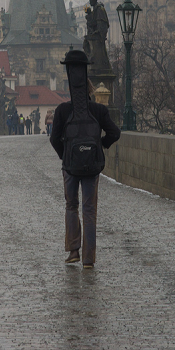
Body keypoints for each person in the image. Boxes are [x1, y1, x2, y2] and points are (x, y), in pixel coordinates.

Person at [50, 49, 120, 269]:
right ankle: (89, 259)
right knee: (89, 210)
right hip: (92, 166)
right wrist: (99, 147)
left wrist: (67, 157)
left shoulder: (62, 110)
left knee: (71, 205)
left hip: (70, 167)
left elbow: (54, 139)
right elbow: (115, 133)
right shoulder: (99, 110)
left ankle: (73, 252)